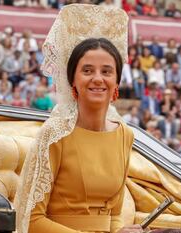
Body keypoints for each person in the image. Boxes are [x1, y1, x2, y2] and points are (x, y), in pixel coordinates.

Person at [15, 5, 143, 233]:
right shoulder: (55, 134)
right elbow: (32, 220)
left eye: (106, 71)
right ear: (72, 80)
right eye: (87, 70)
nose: (97, 79)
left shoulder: (125, 134)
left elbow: (113, 214)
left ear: (117, 82)